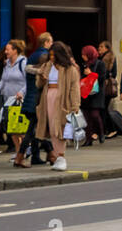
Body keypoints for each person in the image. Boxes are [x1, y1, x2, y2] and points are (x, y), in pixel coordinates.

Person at [34, 41, 81, 171]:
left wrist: (75, 105)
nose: (52, 58)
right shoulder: (47, 65)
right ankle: (57, 155)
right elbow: (39, 84)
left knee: (59, 128)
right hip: (48, 98)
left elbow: (74, 88)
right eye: (51, 55)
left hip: (62, 100)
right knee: (51, 128)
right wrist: (42, 79)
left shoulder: (70, 69)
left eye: (55, 55)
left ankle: (61, 156)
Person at [0, 40, 28, 166]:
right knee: (12, 129)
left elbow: (28, 81)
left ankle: (24, 151)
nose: (5, 52)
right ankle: (19, 152)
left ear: (15, 50)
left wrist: (22, 92)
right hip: (8, 100)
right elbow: (3, 81)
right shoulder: (7, 64)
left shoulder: (23, 63)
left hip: (20, 100)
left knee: (20, 129)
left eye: (8, 49)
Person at [20, 32, 52, 165]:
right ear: (45, 43)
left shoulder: (32, 55)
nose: (51, 45)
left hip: (29, 97)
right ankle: (21, 156)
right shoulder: (44, 56)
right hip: (37, 98)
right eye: (50, 42)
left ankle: (36, 156)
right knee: (35, 129)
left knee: (34, 128)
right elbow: (45, 76)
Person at [80, 44, 109, 146]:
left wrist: (91, 74)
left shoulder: (100, 64)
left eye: (84, 54)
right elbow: (81, 78)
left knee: (95, 115)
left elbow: (102, 78)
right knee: (86, 117)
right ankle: (89, 139)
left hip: (96, 93)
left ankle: (101, 132)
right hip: (86, 94)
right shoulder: (84, 64)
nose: (82, 56)